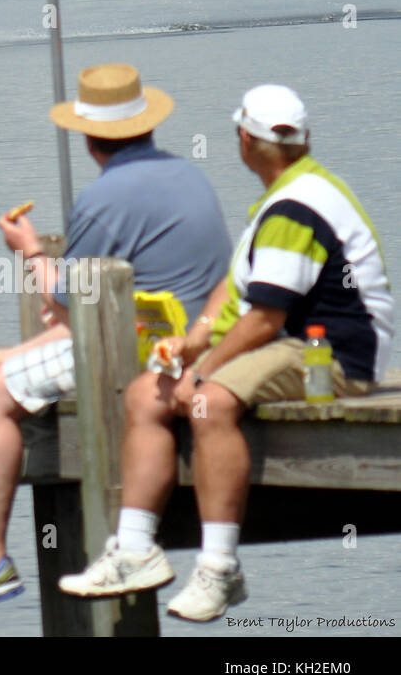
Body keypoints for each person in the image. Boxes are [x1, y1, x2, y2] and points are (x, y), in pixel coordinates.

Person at [59, 84, 392, 621]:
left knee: (207, 402)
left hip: (334, 356)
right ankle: (135, 548)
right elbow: (235, 290)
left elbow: (265, 316)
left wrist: (205, 370)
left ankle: (219, 569)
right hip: (292, 343)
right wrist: (193, 342)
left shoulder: (296, 206)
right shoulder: (285, 193)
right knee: (147, 392)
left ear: (244, 138)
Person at [0, 63, 232, 615]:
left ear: (89, 139)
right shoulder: (190, 174)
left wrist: (30, 251)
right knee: (55, 338)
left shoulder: (103, 199)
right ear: (148, 125)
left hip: (139, 352)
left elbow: (68, 304)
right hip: (198, 339)